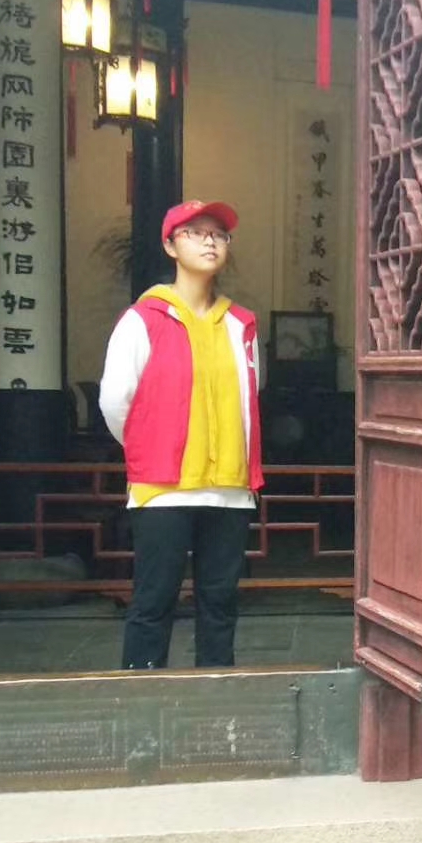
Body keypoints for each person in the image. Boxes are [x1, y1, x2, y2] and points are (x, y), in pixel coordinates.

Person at [99, 200, 262, 671]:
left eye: (219, 234)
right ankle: (144, 694)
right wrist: (152, 446)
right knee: (154, 600)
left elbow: (251, 396)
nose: (210, 241)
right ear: (170, 246)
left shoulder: (241, 324)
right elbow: (116, 402)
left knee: (220, 603)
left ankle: (215, 690)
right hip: (162, 488)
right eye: (195, 232)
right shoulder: (142, 320)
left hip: (229, 488)